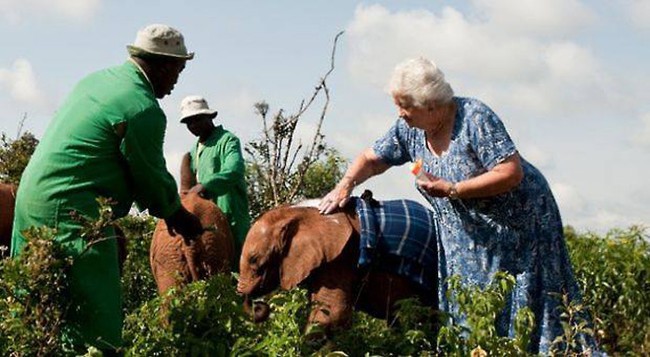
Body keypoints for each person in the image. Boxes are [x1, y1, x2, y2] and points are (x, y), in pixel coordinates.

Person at [319, 57, 597, 354]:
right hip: (463, 235)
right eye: (397, 105)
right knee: (468, 299)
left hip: (518, 225)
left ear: (431, 105)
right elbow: (373, 158)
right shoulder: (409, 129)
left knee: (525, 299)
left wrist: (454, 189)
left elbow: (510, 171)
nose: (400, 114)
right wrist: (345, 184)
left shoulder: (474, 118)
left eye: (405, 106)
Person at [10, 24, 204, 353]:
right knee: (93, 328)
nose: (176, 82)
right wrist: (177, 215)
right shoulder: (142, 108)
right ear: (163, 64)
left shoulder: (97, 80)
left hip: (32, 200)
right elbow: (150, 175)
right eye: (178, 71)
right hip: (73, 211)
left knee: (30, 312)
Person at [179, 95, 251, 262]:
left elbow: (234, 169)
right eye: (189, 122)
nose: (193, 125)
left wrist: (205, 186)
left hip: (230, 214)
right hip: (205, 219)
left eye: (197, 119)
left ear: (210, 117)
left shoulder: (227, 140)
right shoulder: (193, 151)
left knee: (236, 263)